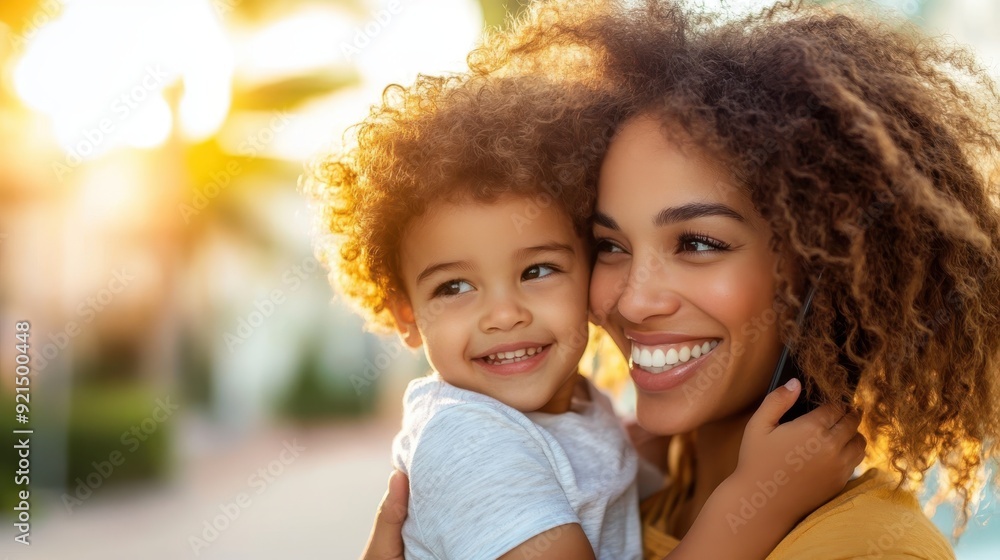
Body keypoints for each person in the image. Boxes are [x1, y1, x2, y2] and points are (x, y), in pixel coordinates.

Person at [360, 1, 1000, 559]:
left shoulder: (862, 547)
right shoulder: (662, 486)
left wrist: (754, 500)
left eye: (697, 242)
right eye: (610, 245)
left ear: (825, 267)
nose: (634, 300)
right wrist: (747, 504)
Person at [305, 70, 865, 560]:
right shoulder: (469, 441)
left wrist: (642, 449)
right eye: (454, 286)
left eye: (538, 271)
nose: (503, 314)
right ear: (406, 316)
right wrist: (757, 502)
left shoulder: (579, 409)